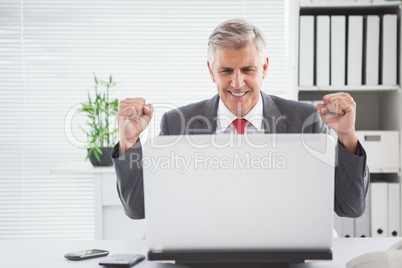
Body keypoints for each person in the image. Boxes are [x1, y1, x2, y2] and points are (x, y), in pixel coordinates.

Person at [112, 18, 369, 220]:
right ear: (211, 71)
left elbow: (349, 207)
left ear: (265, 68)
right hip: (204, 250)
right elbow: (138, 209)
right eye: (226, 70)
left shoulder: (306, 121)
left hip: (281, 251)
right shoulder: (177, 124)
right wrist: (128, 142)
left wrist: (346, 138)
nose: (237, 82)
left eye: (248, 69)